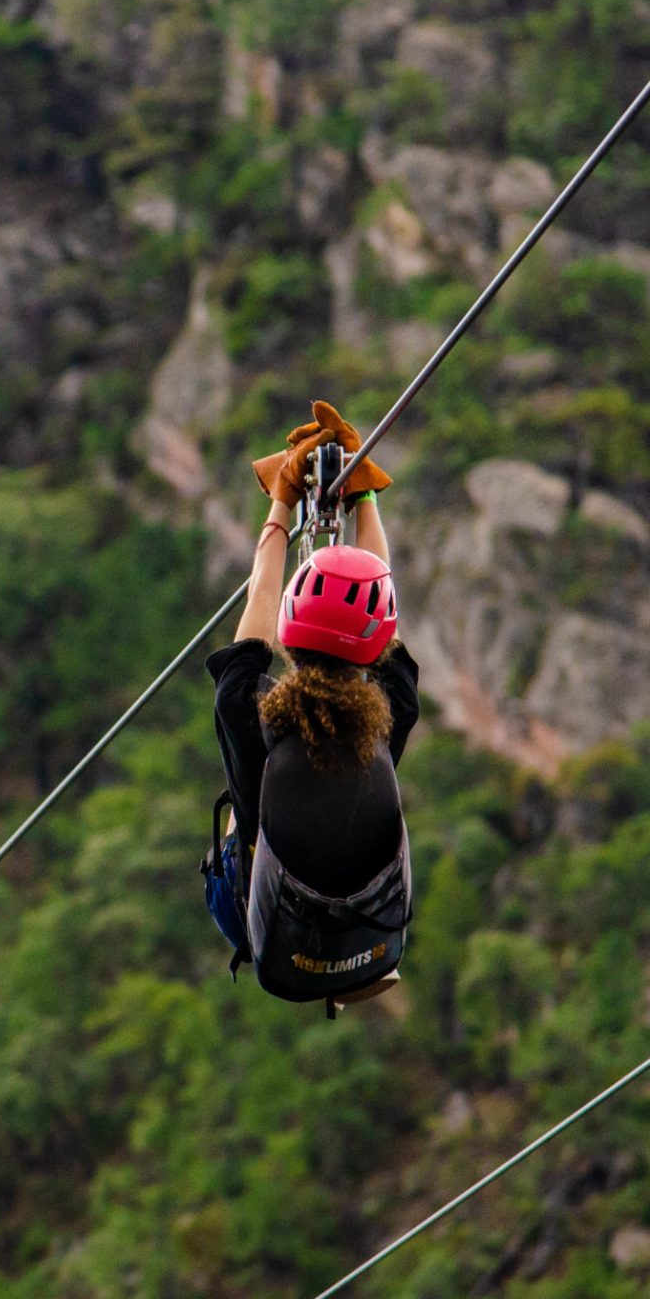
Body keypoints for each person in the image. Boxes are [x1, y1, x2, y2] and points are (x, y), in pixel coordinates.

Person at [204, 402, 421, 1011]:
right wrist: (363, 496)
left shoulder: (252, 718)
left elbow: (250, 642)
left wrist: (281, 502)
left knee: (240, 809)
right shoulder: (389, 712)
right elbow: (381, 599)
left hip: (268, 928)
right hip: (366, 926)